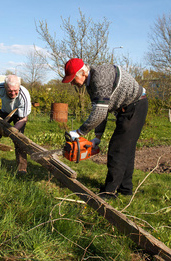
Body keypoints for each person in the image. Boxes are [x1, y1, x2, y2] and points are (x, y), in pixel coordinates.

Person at [62, 58, 148, 199]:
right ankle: (125, 189)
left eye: (73, 79)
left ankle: (109, 192)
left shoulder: (99, 79)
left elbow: (100, 112)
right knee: (127, 150)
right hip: (127, 108)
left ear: (83, 72)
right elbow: (101, 109)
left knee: (117, 149)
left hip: (135, 106)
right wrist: (98, 136)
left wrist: (79, 132)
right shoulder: (90, 83)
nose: (72, 84)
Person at [0, 74, 31, 174]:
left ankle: (22, 168)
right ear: (5, 86)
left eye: (15, 91)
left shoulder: (24, 96)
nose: (13, 93)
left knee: (19, 139)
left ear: (19, 87)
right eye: (10, 91)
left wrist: (12, 130)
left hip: (19, 115)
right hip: (5, 111)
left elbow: (24, 118)